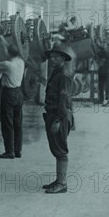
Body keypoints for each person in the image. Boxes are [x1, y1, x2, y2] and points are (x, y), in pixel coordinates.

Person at [42, 43, 74, 194]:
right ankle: (59, 180)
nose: (52, 59)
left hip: (57, 116)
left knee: (60, 150)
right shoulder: (57, 72)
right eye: (51, 57)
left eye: (55, 57)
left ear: (63, 58)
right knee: (56, 148)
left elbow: (64, 99)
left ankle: (62, 184)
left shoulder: (63, 75)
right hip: (54, 114)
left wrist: (58, 121)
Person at [0, 36, 25, 159]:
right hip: (19, 93)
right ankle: (17, 150)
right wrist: (2, 39)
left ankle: (9, 151)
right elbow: (8, 50)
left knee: (7, 123)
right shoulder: (21, 61)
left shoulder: (8, 65)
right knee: (18, 123)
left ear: (9, 54)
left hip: (9, 95)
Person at [97, 39, 109, 107]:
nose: (107, 46)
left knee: (108, 86)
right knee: (101, 86)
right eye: (106, 45)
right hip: (102, 71)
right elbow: (99, 54)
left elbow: (105, 53)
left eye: (108, 45)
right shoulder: (106, 52)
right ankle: (101, 99)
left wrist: (100, 46)